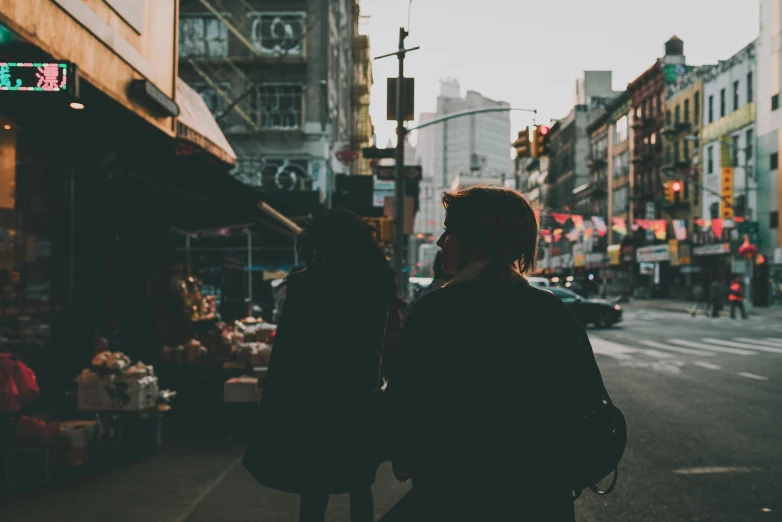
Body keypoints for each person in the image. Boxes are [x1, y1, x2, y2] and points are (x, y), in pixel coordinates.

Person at [384, 186, 613, 522]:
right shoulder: (547, 309)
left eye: (449, 231)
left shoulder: (437, 309)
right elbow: (589, 398)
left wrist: (404, 457)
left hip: (453, 494)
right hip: (541, 497)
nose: (439, 242)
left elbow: (405, 398)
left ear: (475, 240)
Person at [243, 209, 396, 522]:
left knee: (314, 485)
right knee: (359, 480)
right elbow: (386, 338)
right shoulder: (377, 280)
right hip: (359, 392)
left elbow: (288, 351)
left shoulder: (306, 284)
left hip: (313, 396)